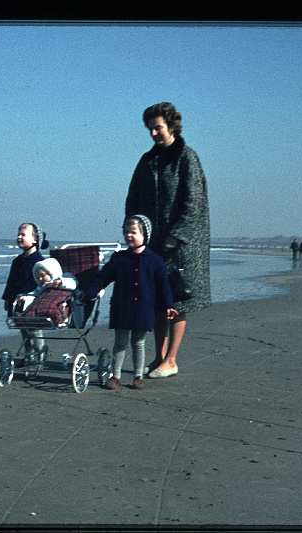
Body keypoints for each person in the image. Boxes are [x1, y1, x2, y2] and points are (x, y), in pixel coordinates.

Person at [124, 102, 211, 378]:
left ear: (172, 126)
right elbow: (133, 198)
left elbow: (194, 202)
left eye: (158, 128)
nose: (153, 134)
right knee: (156, 302)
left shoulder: (187, 158)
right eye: (149, 129)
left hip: (183, 247)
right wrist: (133, 231)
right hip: (152, 243)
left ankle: (171, 360)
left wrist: (177, 236)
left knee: (177, 300)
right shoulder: (147, 160)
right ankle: (158, 358)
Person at [81, 215, 178, 390]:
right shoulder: (119, 258)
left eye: (133, 232)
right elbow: (103, 277)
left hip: (144, 308)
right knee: (120, 342)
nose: (128, 235)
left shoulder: (155, 260)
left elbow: (164, 286)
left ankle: (137, 376)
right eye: (126, 232)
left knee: (138, 343)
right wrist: (87, 292)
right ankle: (115, 376)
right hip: (121, 307)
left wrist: (169, 305)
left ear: (145, 235)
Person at [2, 223, 49, 354]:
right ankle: (29, 355)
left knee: (34, 329)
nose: (19, 237)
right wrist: (7, 299)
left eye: (23, 235)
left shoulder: (40, 262)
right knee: (22, 328)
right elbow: (11, 282)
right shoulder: (17, 261)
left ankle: (39, 356)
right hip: (18, 301)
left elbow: (44, 284)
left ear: (35, 240)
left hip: (34, 302)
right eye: (18, 234)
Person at [14, 257, 78, 313]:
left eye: (42, 276)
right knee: (31, 300)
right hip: (44, 301)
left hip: (58, 299)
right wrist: (25, 297)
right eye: (38, 277)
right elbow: (34, 293)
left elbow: (73, 283)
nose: (40, 278)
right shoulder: (42, 287)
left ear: (52, 273)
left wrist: (62, 282)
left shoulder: (64, 277)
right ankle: (26, 314)